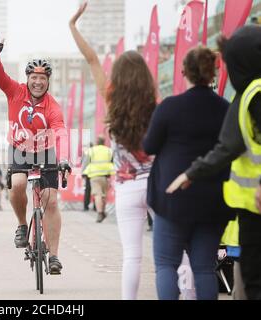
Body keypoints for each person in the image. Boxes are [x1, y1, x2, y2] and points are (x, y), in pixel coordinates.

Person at [167, 25, 261, 300]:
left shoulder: (255, 95)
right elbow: (229, 147)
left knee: (255, 281)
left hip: (256, 206)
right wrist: (192, 173)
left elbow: (227, 147)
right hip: (249, 208)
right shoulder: (247, 96)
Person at [70, 3, 156, 298]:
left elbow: (92, 59)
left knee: (132, 256)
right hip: (156, 184)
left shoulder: (111, 98)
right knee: (176, 251)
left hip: (127, 189)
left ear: (118, 75)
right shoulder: (155, 102)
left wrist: (73, 26)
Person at [143, 46, 235, 300]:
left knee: (166, 265)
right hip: (213, 199)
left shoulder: (170, 107)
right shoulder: (226, 109)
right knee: (204, 267)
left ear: (184, 72)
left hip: (173, 198)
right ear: (213, 73)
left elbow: (149, 146)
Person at [0, 31, 71, 274]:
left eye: (42, 78)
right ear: (28, 78)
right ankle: (22, 225)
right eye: (34, 77)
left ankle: (53, 256)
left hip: (45, 152)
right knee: (18, 184)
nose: (38, 82)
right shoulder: (15, 92)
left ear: (48, 81)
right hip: (19, 150)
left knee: (51, 201)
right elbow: (0, 78)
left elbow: (60, 132)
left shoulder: (53, 106)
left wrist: (63, 158)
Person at [83, 136, 113, 223]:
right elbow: (113, 161)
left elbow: (86, 162)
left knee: (97, 195)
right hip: (106, 175)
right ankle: (103, 211)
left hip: (94, 175)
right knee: (103, 195)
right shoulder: (109, 150)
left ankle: (100, 212)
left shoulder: (91, 150)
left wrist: (83, 173)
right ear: (104, 142)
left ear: (96, 142)